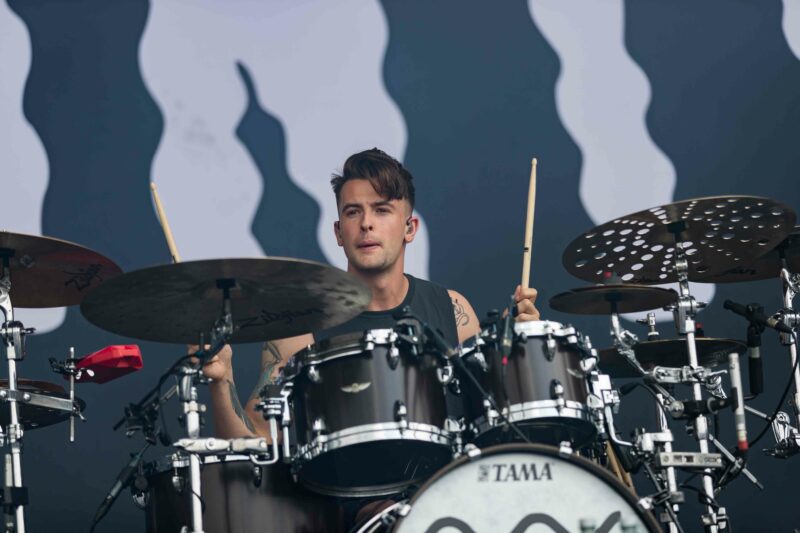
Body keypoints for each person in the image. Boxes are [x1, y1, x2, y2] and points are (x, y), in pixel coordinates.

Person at [200, 148, 540, 438]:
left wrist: (521, 352)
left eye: (381, 209)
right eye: (353, 212)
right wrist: (221, 382)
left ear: (410, 228)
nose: (366, 223)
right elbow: (255, 443)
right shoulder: (299, 327)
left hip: (444, 491)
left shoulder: (452, 311)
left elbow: (495, 423)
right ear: (339, 232)